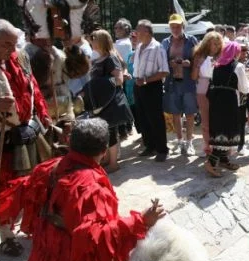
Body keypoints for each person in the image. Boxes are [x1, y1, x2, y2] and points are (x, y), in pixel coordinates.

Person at [2, 118, 164, 261]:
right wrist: (140, 221)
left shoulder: (54, 166)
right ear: (104, 151)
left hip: (47, 255)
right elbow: (95, 237)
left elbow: (29, 198)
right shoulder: (90, 187)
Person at [0, 19, 52, 257]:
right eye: (6, 44)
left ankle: (34, 225)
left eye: (14, 44)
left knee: (35, 182)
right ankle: (7, 235)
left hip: (28, 130)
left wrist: (43, 114)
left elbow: (32, 87)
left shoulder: (20, 57)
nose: (12, 49)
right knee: (3, 190)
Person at [86, 29, 133, 173]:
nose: (91, 42)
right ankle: (107, 159)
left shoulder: (111, 58)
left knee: (111, 131)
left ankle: (114, 163)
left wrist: (98, 83)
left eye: (94, 39)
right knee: (106, 131)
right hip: (102, 102)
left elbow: (118, 80)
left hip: (110, 102)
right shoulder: (100, 58)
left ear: (100, 41)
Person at [205, 42, 249, 177]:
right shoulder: (238, 66)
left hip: (216, 102)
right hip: (229, 102)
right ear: (235, 53)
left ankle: (224, 160)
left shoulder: (216, 66)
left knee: (220, 129)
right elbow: (244, 88)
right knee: (227, 131)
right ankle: (211, 163)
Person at [161, 14, 200, 156]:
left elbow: (198, 59)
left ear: (183, 26)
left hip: (188, 81)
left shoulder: (191, 40)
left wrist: (189, 63)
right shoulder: (165, 42)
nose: (175, 29)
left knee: (190, 113)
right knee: (175, 114)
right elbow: (161, 61)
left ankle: (189, 142)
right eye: (172, 26)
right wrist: (168, 64)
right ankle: (179, 142)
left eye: (178, 26)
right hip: (172, 82)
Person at [132, 19, 169, 162]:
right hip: (138, 85)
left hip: (152, 86)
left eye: (138, 29)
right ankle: (149, 146)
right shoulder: (139, 46)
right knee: (142, 117)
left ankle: (162, 149)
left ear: (146, 31)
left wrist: (146, 80)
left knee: (155, 118)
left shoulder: (157, 47)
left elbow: (164, 71)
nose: (135, 32)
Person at [191, 31, 224, 157]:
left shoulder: (222, 56)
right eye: (212, 44)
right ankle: (207, 147)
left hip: (218, 88)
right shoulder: (199, 55)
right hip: (202, 88)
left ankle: (218, 147)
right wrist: (197, 66)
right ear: (206, 44)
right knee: (205, 122)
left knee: (218, 120)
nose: (214, 47)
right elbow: (194, 77)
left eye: (217, 44)